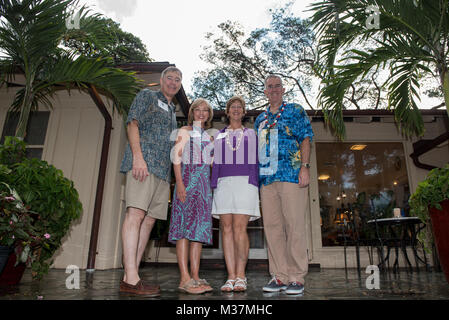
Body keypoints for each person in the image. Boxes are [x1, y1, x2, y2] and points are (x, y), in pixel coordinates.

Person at [119, 66, 182, 296]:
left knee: (149, 221)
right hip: (143, 165)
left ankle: (130, 276)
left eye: (178, 80)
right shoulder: (147, 95)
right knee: (135, 215)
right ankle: (132, 277)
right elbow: (132, 123)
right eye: (170, 78)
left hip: (162, 173)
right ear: (161, 80)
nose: (173, 83)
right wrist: (138, 157)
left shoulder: (173, 111)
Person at [254, 75, 314, 295]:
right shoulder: (260, 119)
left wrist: (304, 167)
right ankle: (279, 276)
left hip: (291, 175)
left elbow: (306, 138)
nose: (274, 89)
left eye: (277, 85)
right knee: (272, 229)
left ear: (283, 89)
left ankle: (296, 277)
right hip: (267, 180)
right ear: (265, 92)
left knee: (294, 226)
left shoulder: (295, 110)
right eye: (269, 86)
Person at [211, 96, 260, 292]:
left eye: (240, 107)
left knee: (240, 228)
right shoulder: (219, 135)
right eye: (233, 107)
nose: (236, 109)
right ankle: (230, 277)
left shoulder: (252, 134)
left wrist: (257, 183)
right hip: (223, 183)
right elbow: (214, 161)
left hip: (246, 183)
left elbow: (258, 159)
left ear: (244, 112)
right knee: (227, 228)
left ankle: (241, 276)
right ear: (227, 111)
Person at [168, 98, 214, 295]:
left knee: (198, 233)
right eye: (198, 109)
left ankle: (195, 276)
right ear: (192, 112)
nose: (201, 113)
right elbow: (176, 158)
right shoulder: (185, 131)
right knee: (183, 229)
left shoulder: (209, 137)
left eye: (205, 110)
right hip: (186, 183)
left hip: (203, 188)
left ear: (209, 115)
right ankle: (184, 277)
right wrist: (179, 183)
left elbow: (211, 165)